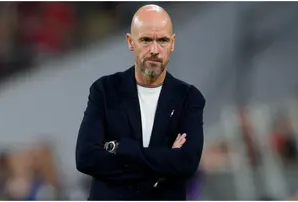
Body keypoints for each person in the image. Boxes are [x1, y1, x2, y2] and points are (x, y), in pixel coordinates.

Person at [75, 4, 206, 200]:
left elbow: (186, 163)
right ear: (130, 42)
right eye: (146, 40)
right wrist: (163, 160)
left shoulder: (188, 98)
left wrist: (122, 148)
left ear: (172, 43)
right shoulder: (104, 90)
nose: (154, 50)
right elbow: (86, 158)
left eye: (162, 40)